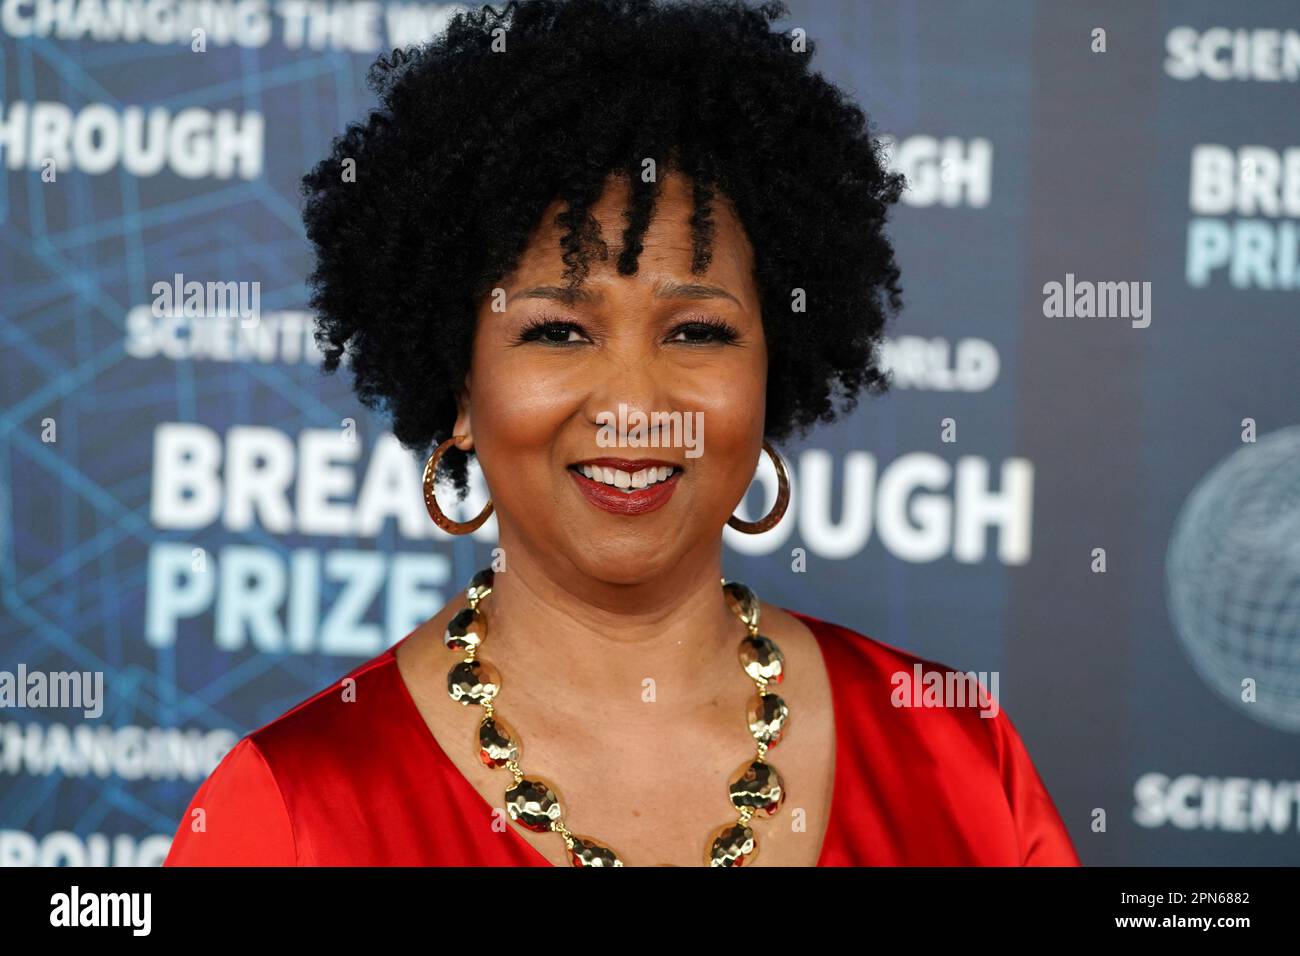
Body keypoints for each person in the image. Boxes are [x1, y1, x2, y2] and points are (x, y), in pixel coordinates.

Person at [165, 0, 1079, 867]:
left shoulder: (961, 755)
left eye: (697, 332)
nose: (635, 405)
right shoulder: (288, 812)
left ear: (775, 365)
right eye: (558, 331)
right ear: (461, 389)